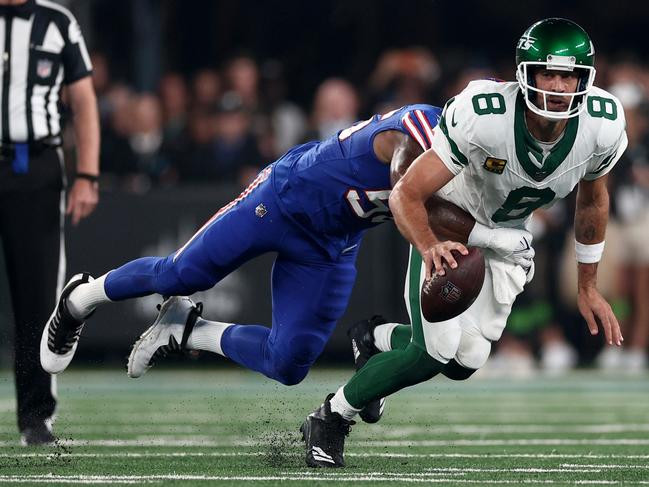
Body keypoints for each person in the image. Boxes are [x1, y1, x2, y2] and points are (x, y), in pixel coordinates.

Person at [300, 17, 628, 468]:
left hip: (510, 234)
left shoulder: (602, 126)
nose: (556, 86)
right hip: (454, 222)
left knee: (465, 360)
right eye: (546, 73)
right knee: (431, 350)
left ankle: (375, 339)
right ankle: (331, 417)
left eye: (567, 74)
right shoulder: (485, 114)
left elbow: (592, 201)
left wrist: (587, 284)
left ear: (584, 79)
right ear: (524, 74)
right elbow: (407, 194)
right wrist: (429, 244)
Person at [40, 101, 532, 392]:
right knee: (179, 275)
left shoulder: (478, 167)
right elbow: (408, 188)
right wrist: (488, 238)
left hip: (332, 243)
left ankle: (186, 331)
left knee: (290, 363)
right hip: (281, 201)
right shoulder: (423, 127)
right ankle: (81, 298)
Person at [0, 0, 99, 445]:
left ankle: (36, 416)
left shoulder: (56, 22)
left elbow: (83, 100)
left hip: (34, 167)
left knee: (37, 294)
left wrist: (87, 175)